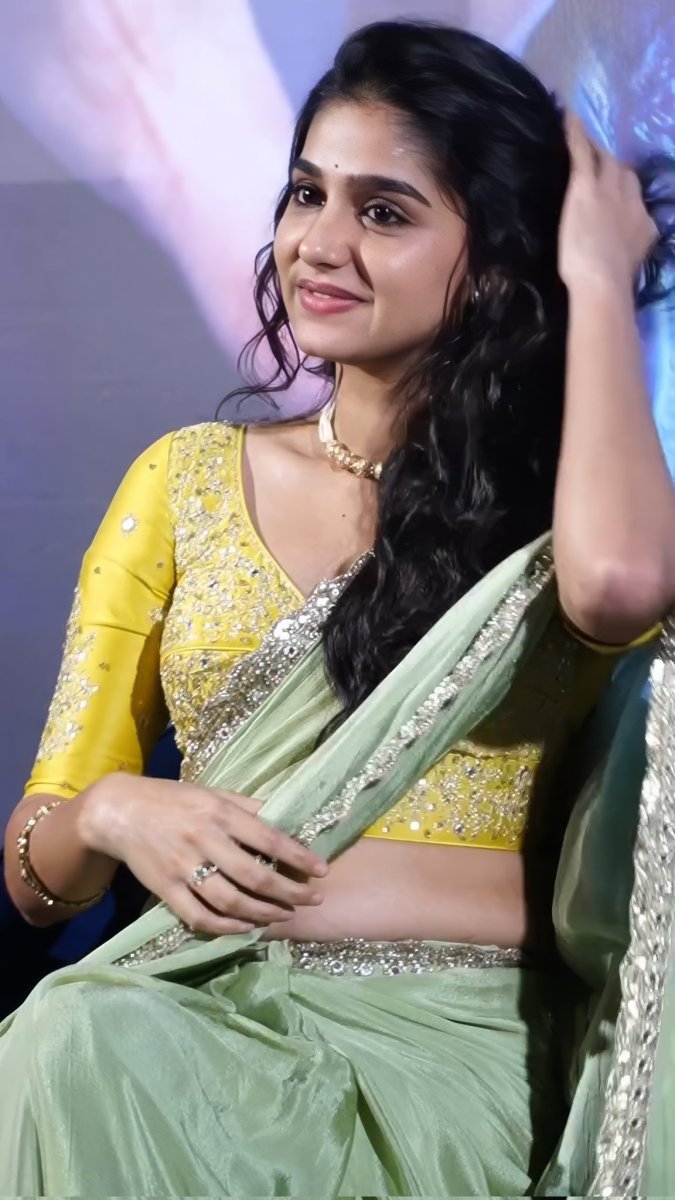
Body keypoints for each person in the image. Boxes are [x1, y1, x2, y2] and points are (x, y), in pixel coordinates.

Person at [2, 19, 674, 1197]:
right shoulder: (184, 482)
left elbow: (621, 593)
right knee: (72, 1033)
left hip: (456, 1070)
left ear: (499, 261)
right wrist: (112, 809)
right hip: (187, 1032)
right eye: (308, 192)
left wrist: (596, 277)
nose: (318, 242)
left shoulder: (569, 519)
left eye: (384, 212)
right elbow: (35, 874)